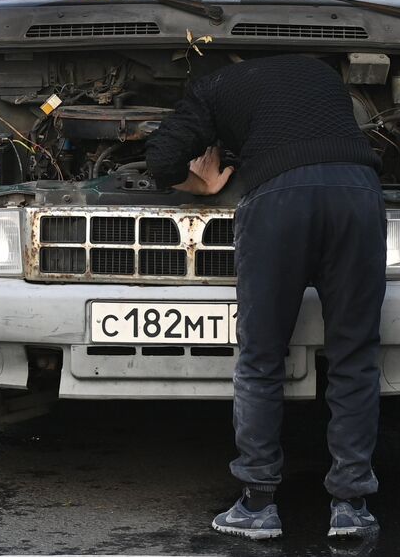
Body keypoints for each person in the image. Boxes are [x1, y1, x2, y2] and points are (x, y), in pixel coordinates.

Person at [145, 54, 386, 541]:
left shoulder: (210, 88)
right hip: (357, 193)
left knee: (261, 358)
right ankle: (350, 505)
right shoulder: (320, 72)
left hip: (279, 201)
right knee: (355, 356)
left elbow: (161, 159)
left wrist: (206, 182)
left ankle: (257, 505)